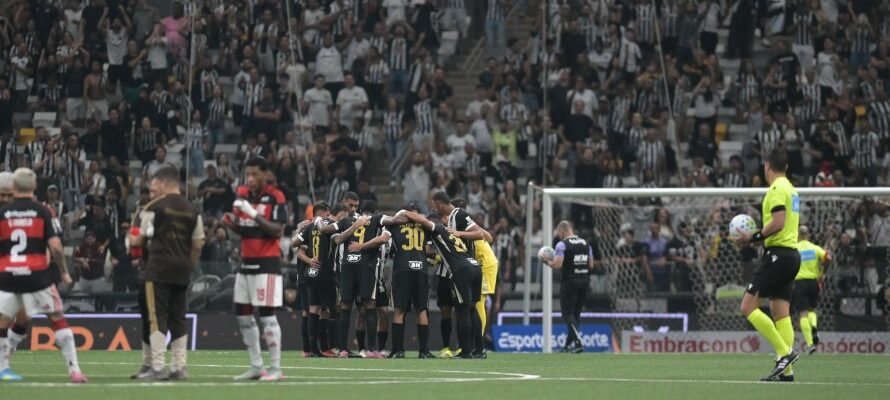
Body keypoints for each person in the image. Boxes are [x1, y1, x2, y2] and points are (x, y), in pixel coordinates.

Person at [0, 168, 86, 383]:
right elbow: (55, 246)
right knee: (56, 318)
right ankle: (74, 370)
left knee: (8, 321)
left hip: (8, 275)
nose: (4, 198)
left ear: (14, 189)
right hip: (37, 274)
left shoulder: (3, 214)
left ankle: (2, 366)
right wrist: (64, 272)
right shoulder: (43, 210)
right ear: (35, 187)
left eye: (7, 194)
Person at [128, 167, 203, 381]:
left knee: (156, 317)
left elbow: (139, 241)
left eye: (155, 185)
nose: (153, 189)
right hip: (182, 270)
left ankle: (158, 367)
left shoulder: (154, 207)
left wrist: (130, 240)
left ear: (162, 182)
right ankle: (179, 368)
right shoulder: (193, 209)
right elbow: (198, 244)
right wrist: (189, 265)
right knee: (178, 318)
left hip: (158, 268)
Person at [735, 150, 802, 381]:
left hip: (778, 255)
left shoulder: (776, 189)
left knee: (747, 306)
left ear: (767, 166)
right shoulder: (791, 189)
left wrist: (752, 238)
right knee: (779, 312)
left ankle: (785, 353)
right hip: (791, 255)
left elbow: (778, 223)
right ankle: (786, 372)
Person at [222, 157, 287, 381]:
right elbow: (246, 230)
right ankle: (256, 365)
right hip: (245, 262)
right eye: (247, 174)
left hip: (267, 264)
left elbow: (277, 231)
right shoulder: (242, 194)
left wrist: (252, 213)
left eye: (254, 174)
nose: (250, 179)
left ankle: (276, 368)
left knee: (267, 315)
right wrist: (232, 225)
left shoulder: (275, 196)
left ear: (265, 174)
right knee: (242, 314)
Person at [354, 203, 434, 359]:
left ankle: (398, 350)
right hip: (421, 270)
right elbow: (429, 251)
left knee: (399, 310)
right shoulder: (424, 225)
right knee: (422, 310)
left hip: (403, 269)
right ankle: (424, 351)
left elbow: (383, 240)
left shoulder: (395, 225)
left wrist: (362, 246)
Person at [429, 191, 488, 358]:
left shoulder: (459, 215)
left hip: (460, 269)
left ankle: (469, 350)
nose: (434, 209)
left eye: (435, 206)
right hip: (449, 270)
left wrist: (459, 233)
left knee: (465, 310)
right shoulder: (445, 220)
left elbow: (480, 234)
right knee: (458, 309)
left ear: (440, 204)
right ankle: (470, 349)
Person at [447, 198, 498, 358]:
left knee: (479, 304)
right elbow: (489, 237)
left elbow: (487, 237)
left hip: (485, 264)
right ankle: (477, 344)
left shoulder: (464, 226)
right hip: (481, 263)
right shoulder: (469, 226)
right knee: (476, 304)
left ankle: (478, 344)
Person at [293, 202, 341, 358]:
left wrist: (299, 229)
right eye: (327, 213)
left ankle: (313, 349)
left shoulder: (309, 227)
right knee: (327, 310)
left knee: (312, 311)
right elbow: (338, 240)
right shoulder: (328, 224)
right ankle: (326, 347)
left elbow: (294, 243)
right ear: (323, 212)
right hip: (324, 271)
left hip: (310, 272)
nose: (329, 216)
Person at [543, 221, 596, 353]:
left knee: (567, 314)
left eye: (558, 233)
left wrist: (546, 261)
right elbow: (591, 265)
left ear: (562, 231)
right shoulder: (586, 243)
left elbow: (557, 265)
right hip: (585, 281)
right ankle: (567, 346)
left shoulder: (562, 245)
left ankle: (578, 343)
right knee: (575, 314)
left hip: (570, 282)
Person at [794, 225, 831, 354]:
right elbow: (828, 258)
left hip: (799, 283)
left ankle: (810, 344)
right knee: (812, 310)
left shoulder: (795, 249)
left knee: (802, 313)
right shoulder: (815, 248)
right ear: (808, 235)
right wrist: (822, 273)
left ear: (797, 235)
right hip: (814, 282)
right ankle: (814, 327)